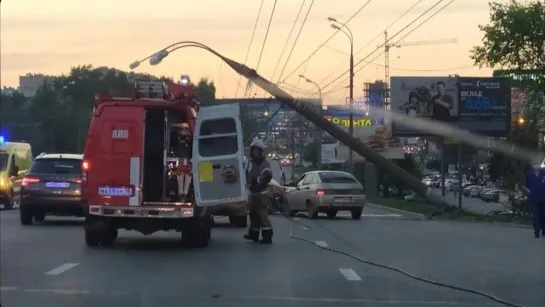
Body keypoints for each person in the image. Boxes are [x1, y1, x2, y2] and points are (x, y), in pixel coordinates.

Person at [244, 139, 274, 244]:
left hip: (262, 194)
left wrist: (257, 181)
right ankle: (254, 234)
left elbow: (268, 175)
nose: (254, 152)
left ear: (260, 151)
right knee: (254, 215)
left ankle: (267, 236)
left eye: (256, 150)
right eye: (253, 150)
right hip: (253, 193)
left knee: (262, 215)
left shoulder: (263, 164)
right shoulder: (251, 163)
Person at [524, 160, 545, 238]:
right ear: (532, 165)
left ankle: (544, 230)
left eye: (538, 164)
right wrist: (528, 190)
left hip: (543, 199)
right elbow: (524, 185)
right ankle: (537, 232)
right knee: (535, 216)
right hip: (533, 199)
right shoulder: (529, 174)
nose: (537, 166)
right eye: (535, 164)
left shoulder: (544, 173)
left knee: (543, 216)